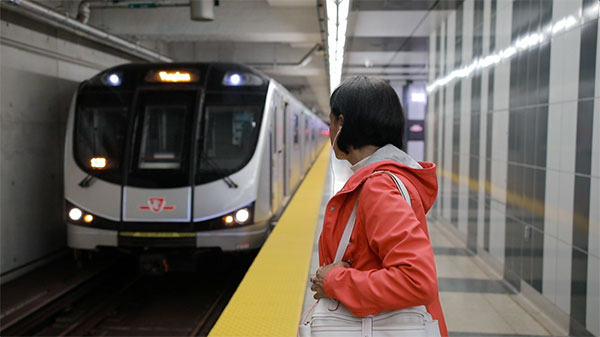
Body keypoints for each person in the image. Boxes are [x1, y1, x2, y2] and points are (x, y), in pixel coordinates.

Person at [310, 76, 448, 337]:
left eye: (331, 120)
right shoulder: (384, 179)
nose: (329, 130)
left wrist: (334, 281)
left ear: (342, 123)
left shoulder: (378, 187)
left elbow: (417, 281)